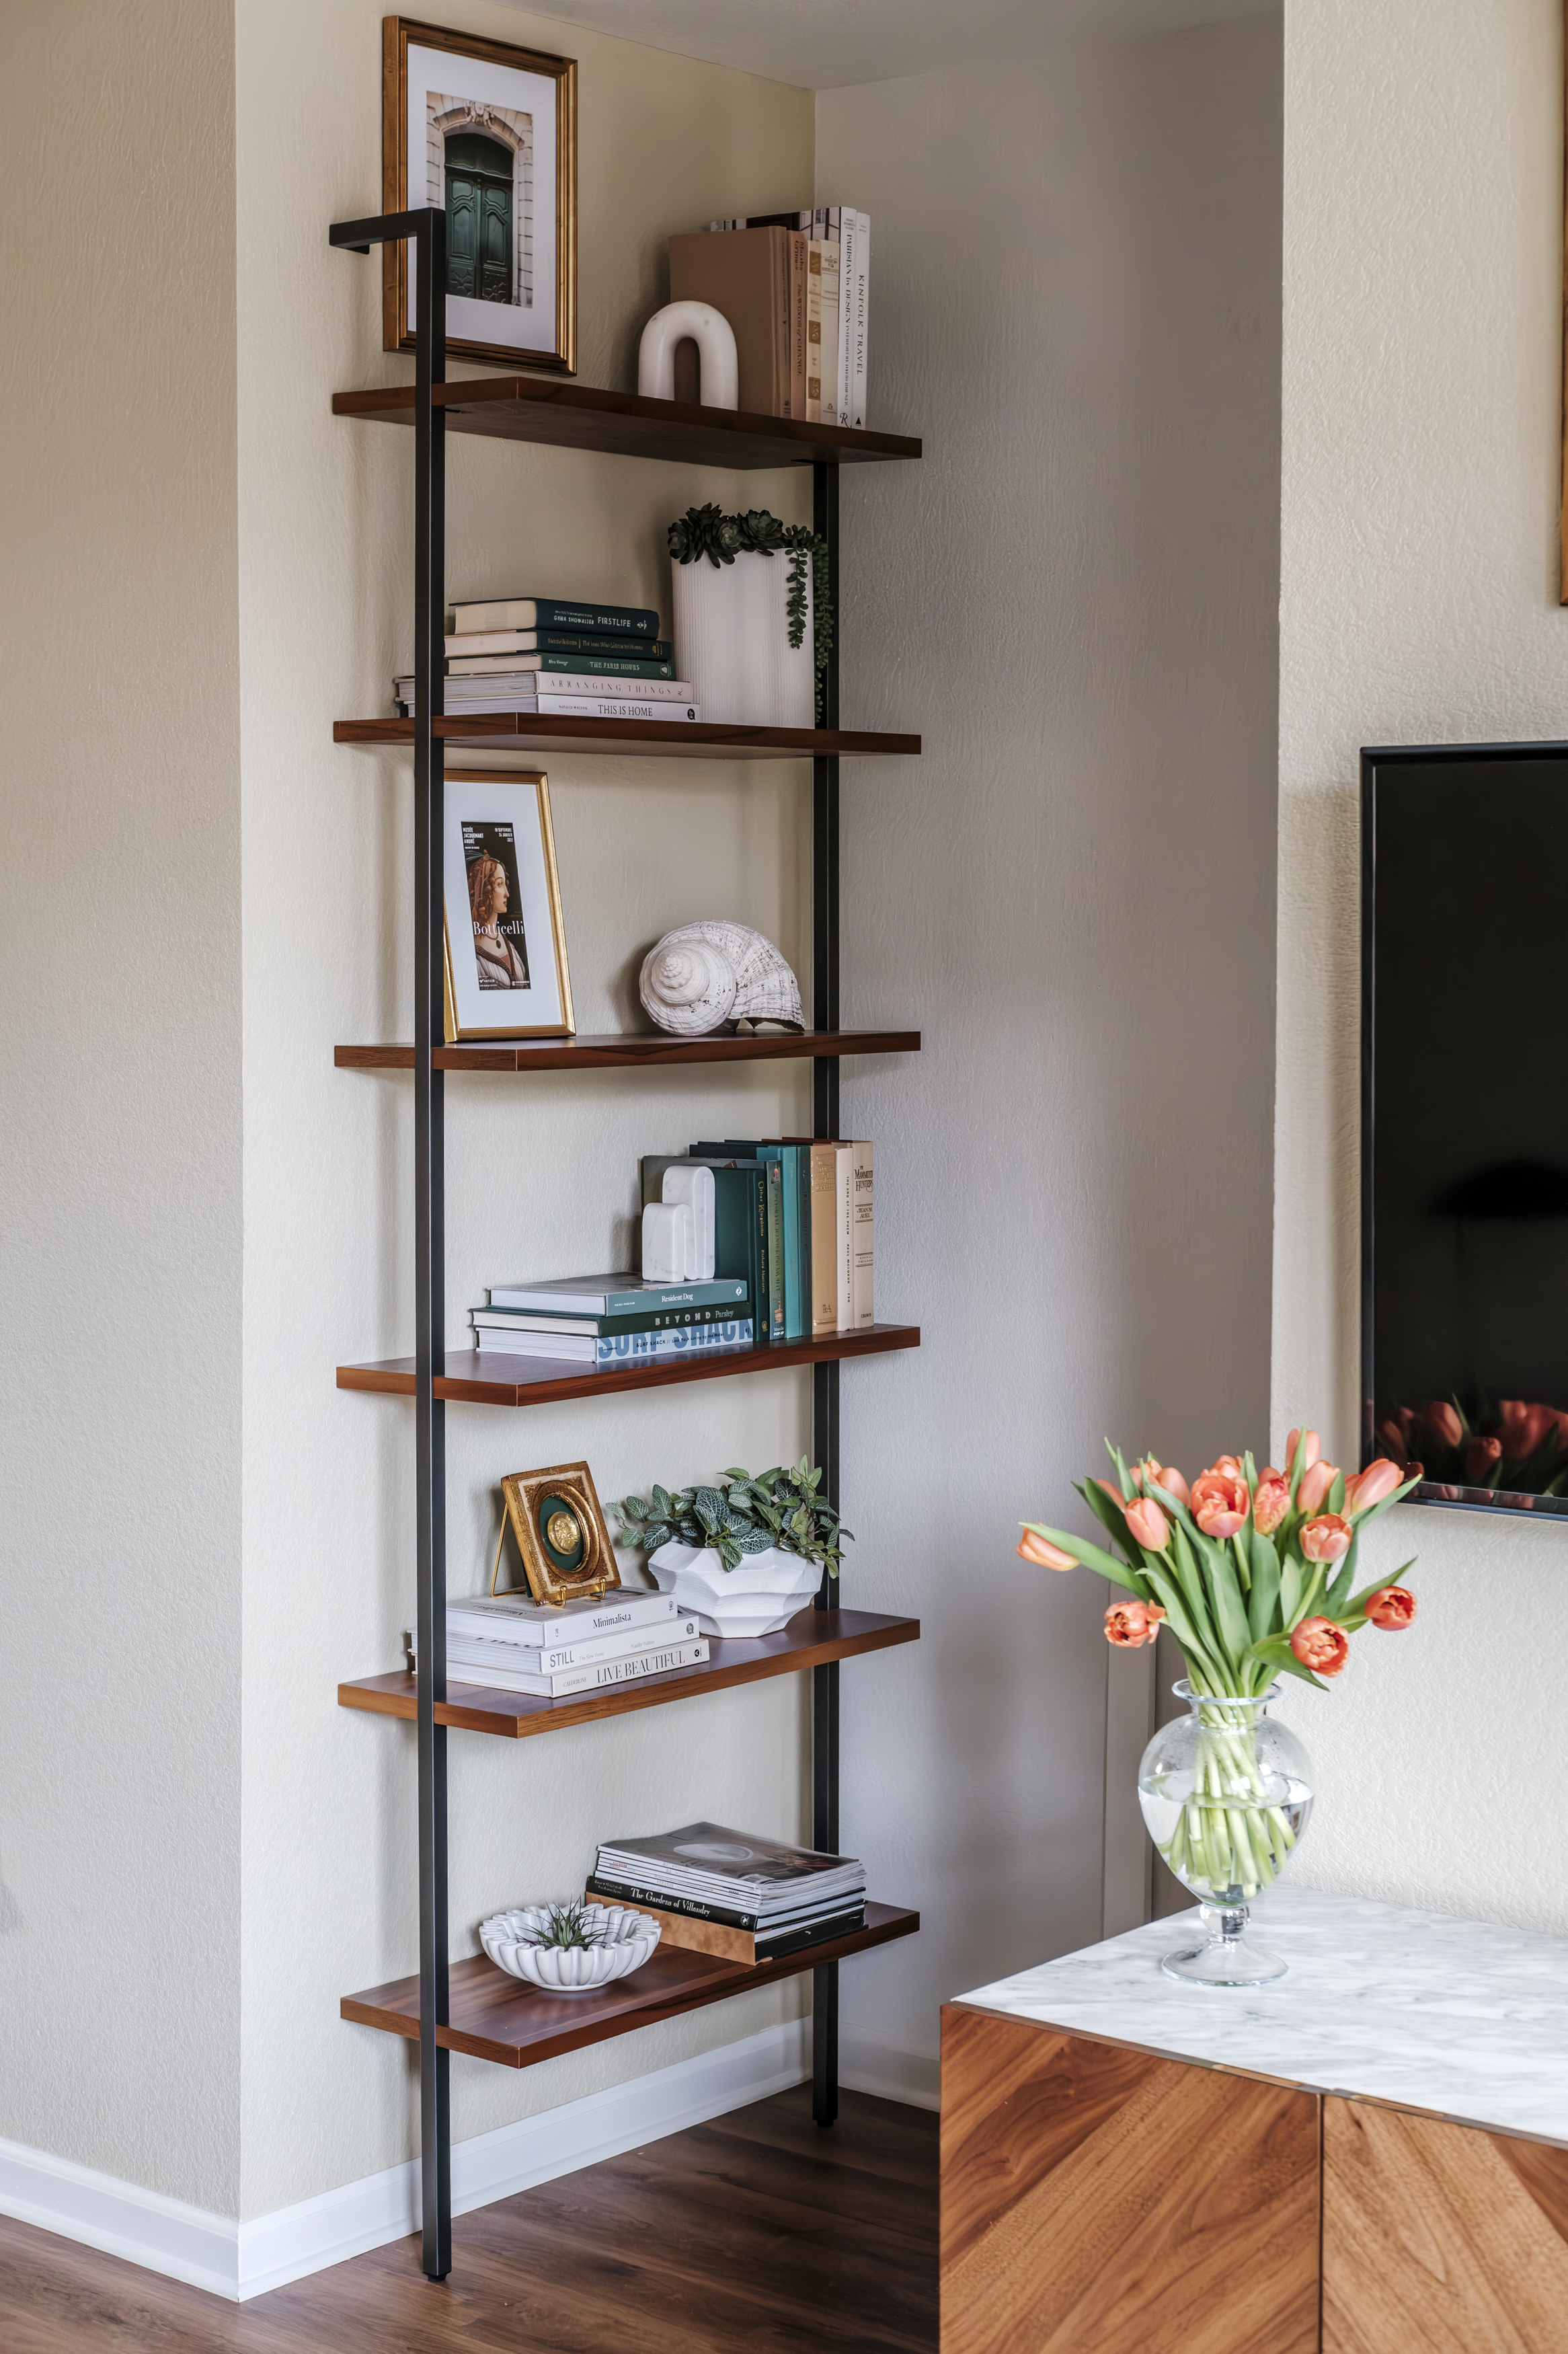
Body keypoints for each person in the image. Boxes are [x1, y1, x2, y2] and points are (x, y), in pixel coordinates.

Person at [467, 851, 529, 988]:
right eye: (499, 884)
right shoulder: (472, 951)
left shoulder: (508, 944)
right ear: (485, 889)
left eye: (505, 884)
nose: (507, 894)